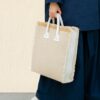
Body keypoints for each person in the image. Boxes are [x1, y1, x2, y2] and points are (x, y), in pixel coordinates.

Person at [33, 0, 100, 100]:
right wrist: (53, 2)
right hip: (70, 9)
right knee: (65, 54)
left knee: (91, 56)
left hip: (94, 11)